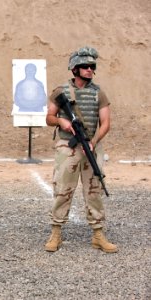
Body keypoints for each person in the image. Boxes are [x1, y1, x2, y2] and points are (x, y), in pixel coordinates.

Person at [45, 46, 118, 253]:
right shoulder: (61, 92)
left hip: (90, 147)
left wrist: (93, 142)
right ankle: (56, 233)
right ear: (74, 69)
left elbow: (105, 123)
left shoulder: (98, 93)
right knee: (63, 190)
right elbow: (49, 118)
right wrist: (61, 121)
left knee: (94, 189)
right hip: (67, 147)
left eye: (92, 66)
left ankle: (98, 234)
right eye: (84, 66)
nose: (89, 70)